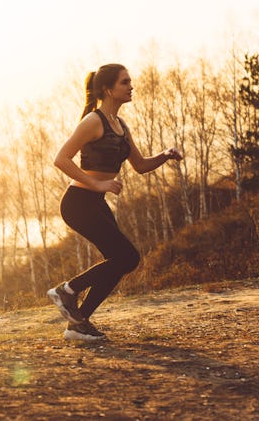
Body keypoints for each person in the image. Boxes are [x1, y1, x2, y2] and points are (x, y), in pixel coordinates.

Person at [47, 64, 182, 341]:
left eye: (129, 82)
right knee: (127, 257)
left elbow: (141, 165)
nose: (131, 86)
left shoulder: (121, 126)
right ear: (108, 89)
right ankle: (66, 291)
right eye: (125, 82)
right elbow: (61, 159)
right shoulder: (93, 121)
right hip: (78, 203)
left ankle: (78, 323)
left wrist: (166, 155)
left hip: (95, 202)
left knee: (121, 260)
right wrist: (97, 183)